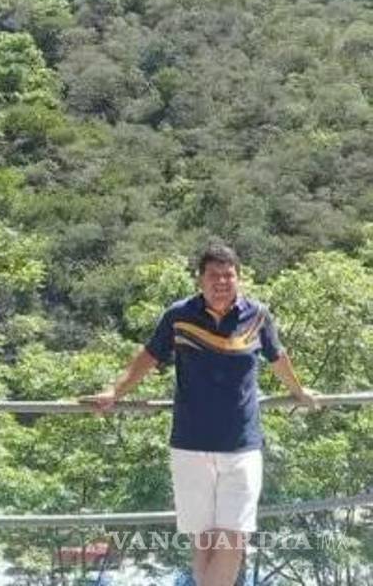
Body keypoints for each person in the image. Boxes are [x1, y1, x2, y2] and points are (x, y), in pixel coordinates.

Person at [81, 244, 318, 586]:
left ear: (238, 278)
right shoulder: (179, 315)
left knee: (234, 537)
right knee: (204, 540)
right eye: (214, 275)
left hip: (242, 444)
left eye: (228, 275)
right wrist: (115, 392)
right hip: (190, 444)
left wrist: (299, 392)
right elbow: (148, 357)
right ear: (200, 279)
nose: (221, 282)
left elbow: (277, 357)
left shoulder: (258, 315)